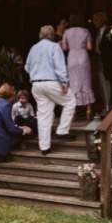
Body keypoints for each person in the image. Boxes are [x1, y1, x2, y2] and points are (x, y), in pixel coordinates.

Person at [27, 25, 75, 156]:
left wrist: (36, 73)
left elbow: (27, 67)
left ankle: (45, 147)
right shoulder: (54, 47)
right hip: (51, 82)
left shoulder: (33, 48)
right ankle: (62, 130)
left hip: (36, 84)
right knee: (70, 101)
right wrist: (64, 82)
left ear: (40, 35)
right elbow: (60, 66)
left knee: (44, 115)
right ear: (53, 35)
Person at [61, 12, 96, 120]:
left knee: (73, 84)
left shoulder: (66, 32)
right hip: (83, 57)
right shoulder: (85, 31)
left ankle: (74, 111)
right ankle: (88, 110)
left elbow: (64, 48)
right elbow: (89, 47)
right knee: (86, 83)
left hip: (72, 58)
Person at [91, 11, 111, 112]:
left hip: (105, 61)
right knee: (100, 85)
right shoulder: (97, 32)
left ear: (103, 20)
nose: (94, 22)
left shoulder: (108, 31)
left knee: (106, 84)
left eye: (96, 20)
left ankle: (108, 105)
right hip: (98, 61)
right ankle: (105, 104)